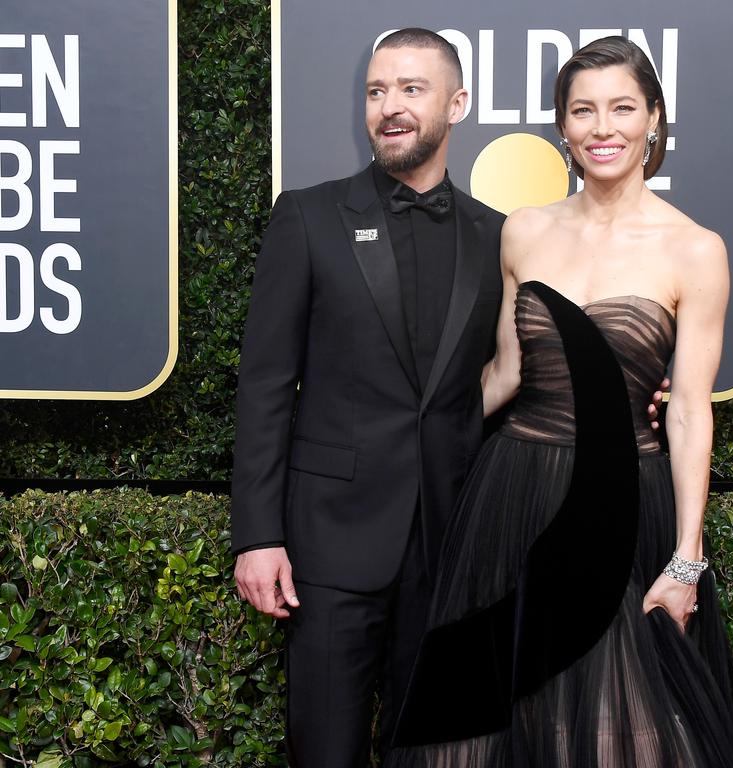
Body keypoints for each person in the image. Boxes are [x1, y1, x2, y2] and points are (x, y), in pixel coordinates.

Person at [386, 36, 733, 767]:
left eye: (622, 107)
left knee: (631, 733)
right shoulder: (525, 230)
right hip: (512, 500)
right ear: (562, 127)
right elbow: (505, 374)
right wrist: (399, 427)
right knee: (483, 730)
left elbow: (686, 411)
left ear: (654, 119)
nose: (602, 127)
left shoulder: (695, 250)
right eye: (583, 110)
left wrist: (686, 561)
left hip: (621, 508)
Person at [230, 29, 505, 766]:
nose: (390, 107)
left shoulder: (496, 237)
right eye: (377, 91)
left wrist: (643, 392)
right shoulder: (309, 217)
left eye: (411, 90)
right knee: (324, 751)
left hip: (448, 548)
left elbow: (516, 374)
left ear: (458, 104)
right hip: (329, 543)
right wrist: (258, 535)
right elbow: (263, 385)